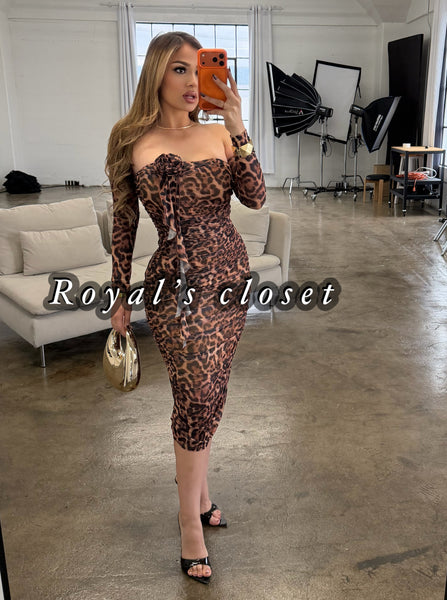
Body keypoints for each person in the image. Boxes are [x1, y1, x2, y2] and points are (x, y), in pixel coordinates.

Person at [105, 31, 265, 584]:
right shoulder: (131, 140)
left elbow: (256, 197)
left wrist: (237, 123)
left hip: (230, 279)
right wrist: (120, 294)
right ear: (156, 74)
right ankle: (188, 521)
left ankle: (199, 495)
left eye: (199, 69)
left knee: (212, 391)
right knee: (194, 396)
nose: (192, 81)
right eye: (179, 69)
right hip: (174, 287)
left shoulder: (220, 134)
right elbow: (124, 221)